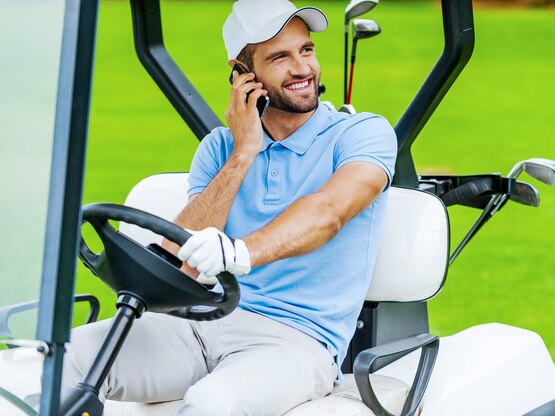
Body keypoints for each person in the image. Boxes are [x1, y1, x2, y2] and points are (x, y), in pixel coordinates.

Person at [63, 0, 397, 414]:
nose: (302, 69)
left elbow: (329, 211)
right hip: (200, 322)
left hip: (295, 340)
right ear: (243, 75)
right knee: (60, 359)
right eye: (280, 57)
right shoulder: (220, 148)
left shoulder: (363, 133)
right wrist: (243, 152)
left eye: (306, 50)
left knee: (211, 403)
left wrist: (241, 252)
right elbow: (178, 264)